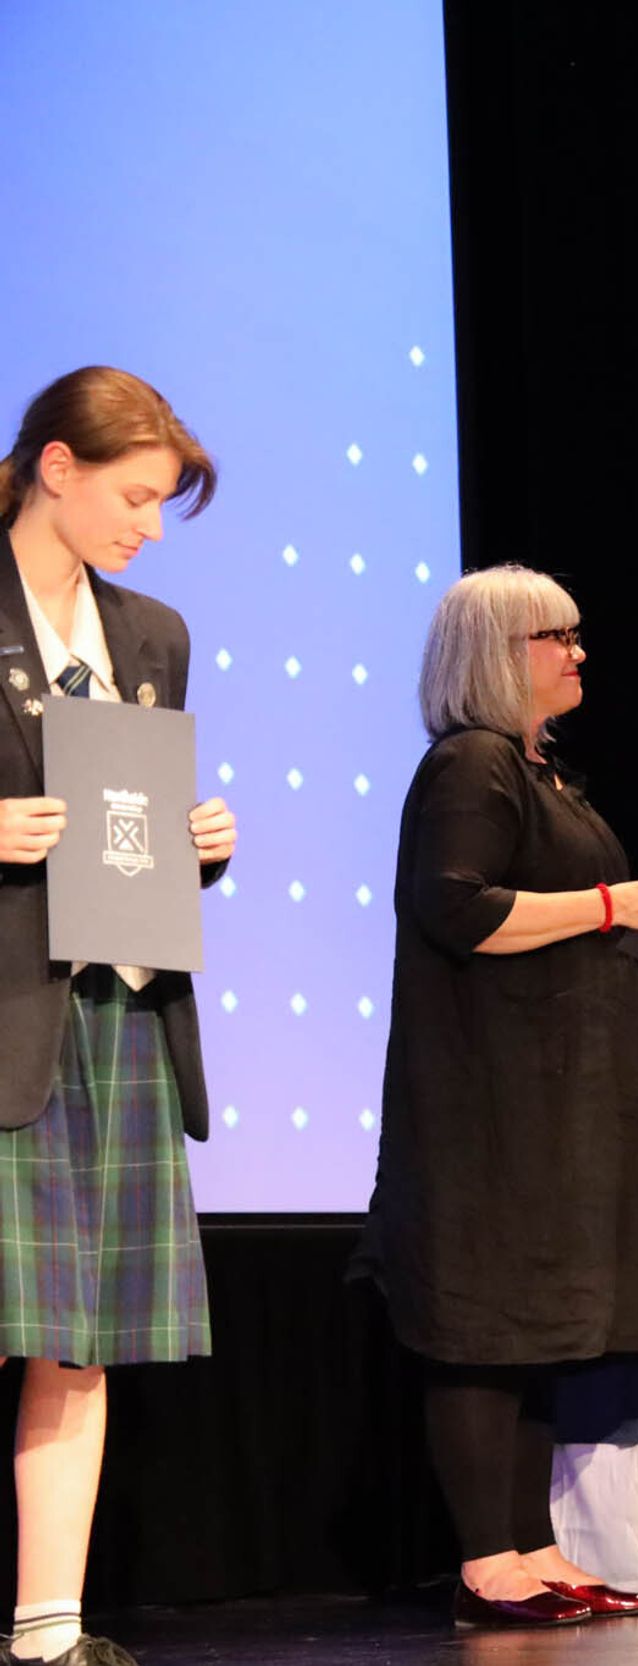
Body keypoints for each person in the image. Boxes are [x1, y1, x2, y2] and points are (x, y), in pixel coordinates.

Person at [349, 565, 638, 1629]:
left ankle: (536, 1547)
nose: (578, 652)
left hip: (557, 1101)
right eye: (557, 637)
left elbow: (567, 922)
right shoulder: (471, 765)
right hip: (487, 1107)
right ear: (497, 655)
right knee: (482, 1325)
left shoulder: (545, 772)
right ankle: (486, 1563)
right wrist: (607, 903)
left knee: (540, 1328)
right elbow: (457, 910)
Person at [0, 367, 233, 1666]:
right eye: (135, 496)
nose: (148, 525)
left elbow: (130, 821)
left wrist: (201, 846)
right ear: (57, 468)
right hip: (4, 1010)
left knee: (76, 1338)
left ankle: (49, 1628)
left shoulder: (151, 634)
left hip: (118, 1005)